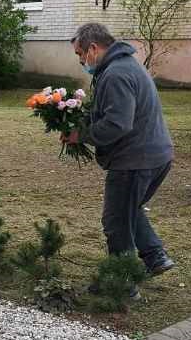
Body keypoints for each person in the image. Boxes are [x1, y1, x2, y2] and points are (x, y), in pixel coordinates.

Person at [70, 22, 175, 281]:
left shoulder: (116, 74)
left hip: (135, 160)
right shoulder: (124, 65)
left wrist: (81, 135)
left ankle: (121, 282)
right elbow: (109, 111)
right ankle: (155, 256)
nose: (81, 60)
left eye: (80, 54)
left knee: (116, 221)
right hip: (155, 155)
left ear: (93, 48)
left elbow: (117, 123)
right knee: (129, 208)